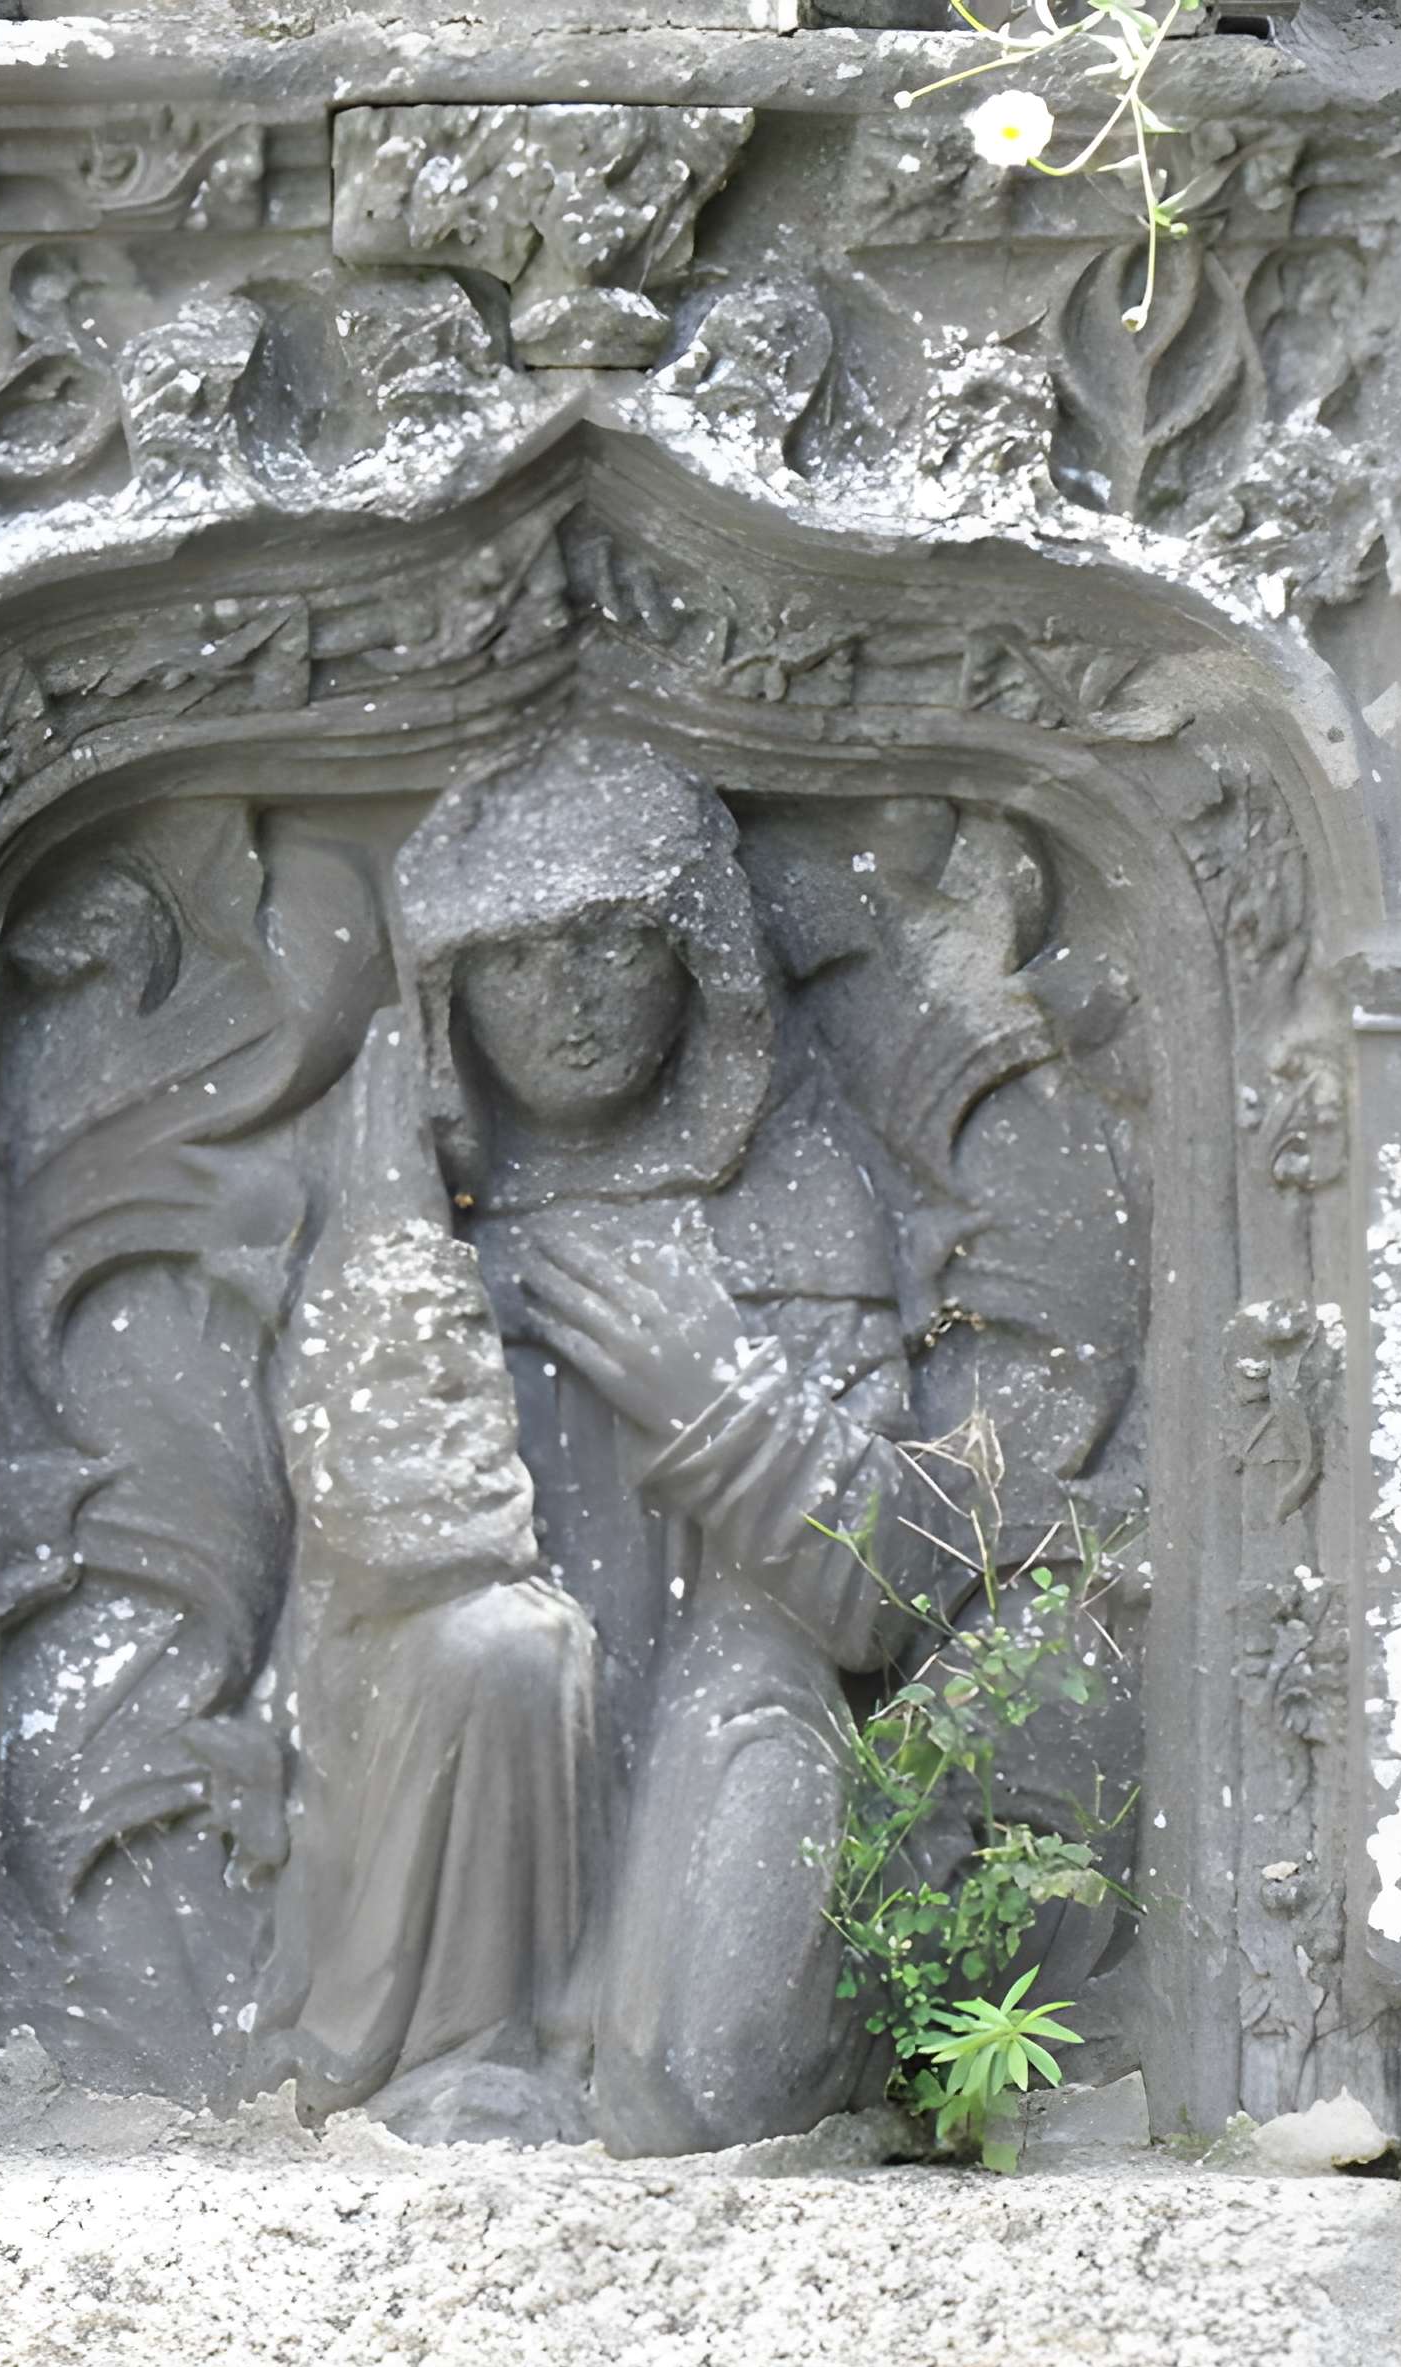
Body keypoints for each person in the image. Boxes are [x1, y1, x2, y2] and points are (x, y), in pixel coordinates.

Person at [394, 734, 960, 2156]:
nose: (566, 1000)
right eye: (509, 960)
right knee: (483, 1654)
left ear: (698, 956)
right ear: (444, 999)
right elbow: (355, 1559)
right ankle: (473, 2044)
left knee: (714, 2086)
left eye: (607, 942)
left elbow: (875, 1599)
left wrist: (715, 1393)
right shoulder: (415, 1218)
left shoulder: (798, 1198)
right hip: (487, 1773)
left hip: (729, 1701)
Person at [243, 1013, 600, 2139]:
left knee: (532, 1644)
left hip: (518, 1648)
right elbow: (392, 1517)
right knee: (502, 1647)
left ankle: (531, 2034)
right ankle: (456, 2040)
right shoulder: (386, 1277)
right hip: (378, 1672)